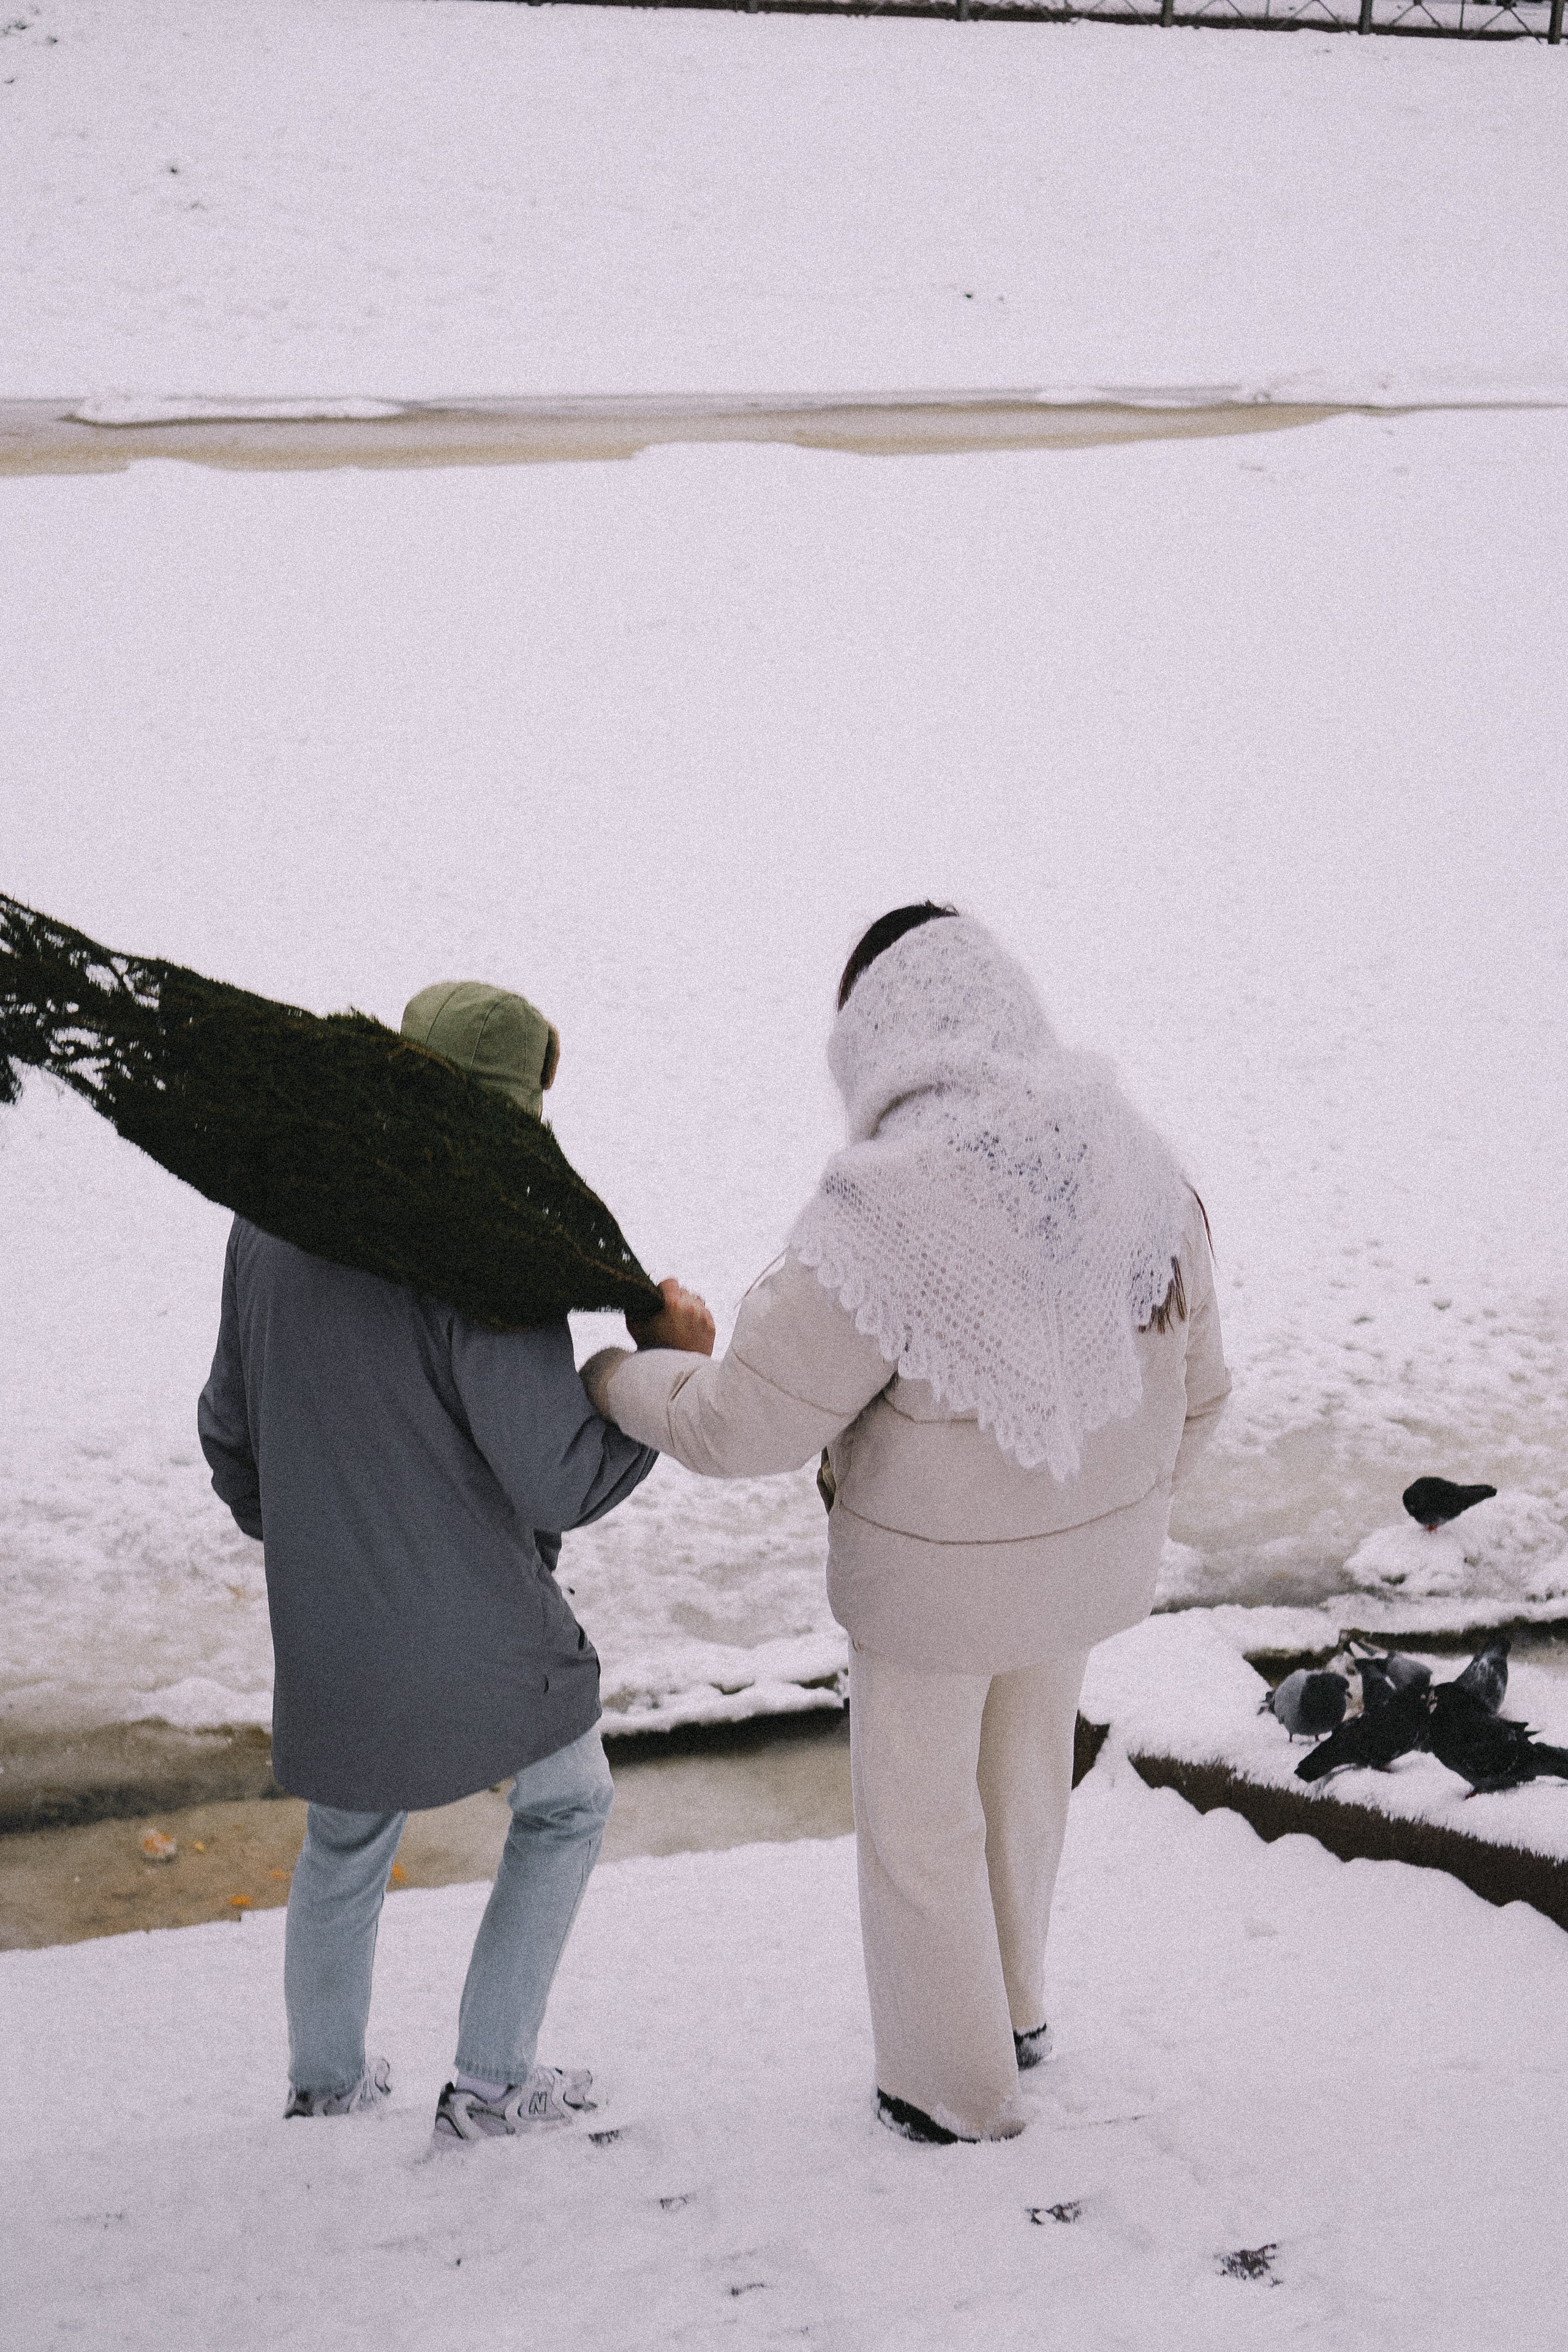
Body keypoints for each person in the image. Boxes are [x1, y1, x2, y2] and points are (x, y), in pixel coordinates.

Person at [582, 907, 1230, 2145]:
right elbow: (1197, 1394)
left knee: (920, 1819)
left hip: (926, 1593)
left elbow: (744, 1426)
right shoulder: (1140, 1165)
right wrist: (1100, 1512)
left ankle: (948, 2084)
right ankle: (1018, 2011)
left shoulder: (878, 1214)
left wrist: (612, 1379)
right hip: (1086, 1571)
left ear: (871, 1039)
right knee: (1026, 1777)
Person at [198, 978, 699, 2146]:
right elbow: (558, 1478)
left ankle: (324, 2087)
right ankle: (490, 2083)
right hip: (478, 1626)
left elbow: (231, 1432)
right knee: (569, 1804)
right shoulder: (492, 1253)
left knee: (344, 1838)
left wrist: (323, 1543)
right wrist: (661, 1374)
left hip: (326, 1627)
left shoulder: (270, 1217)